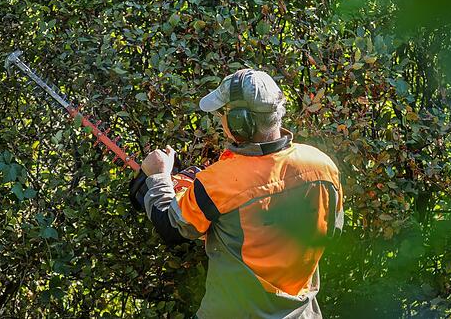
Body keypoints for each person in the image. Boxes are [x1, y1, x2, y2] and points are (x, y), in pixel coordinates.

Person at [131, 68, 344, 318]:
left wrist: (158, 176)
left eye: (223, 114)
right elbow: (333, 231)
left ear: (239, 121)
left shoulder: (218, 182)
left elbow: (171, 226)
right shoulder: (322, 166)